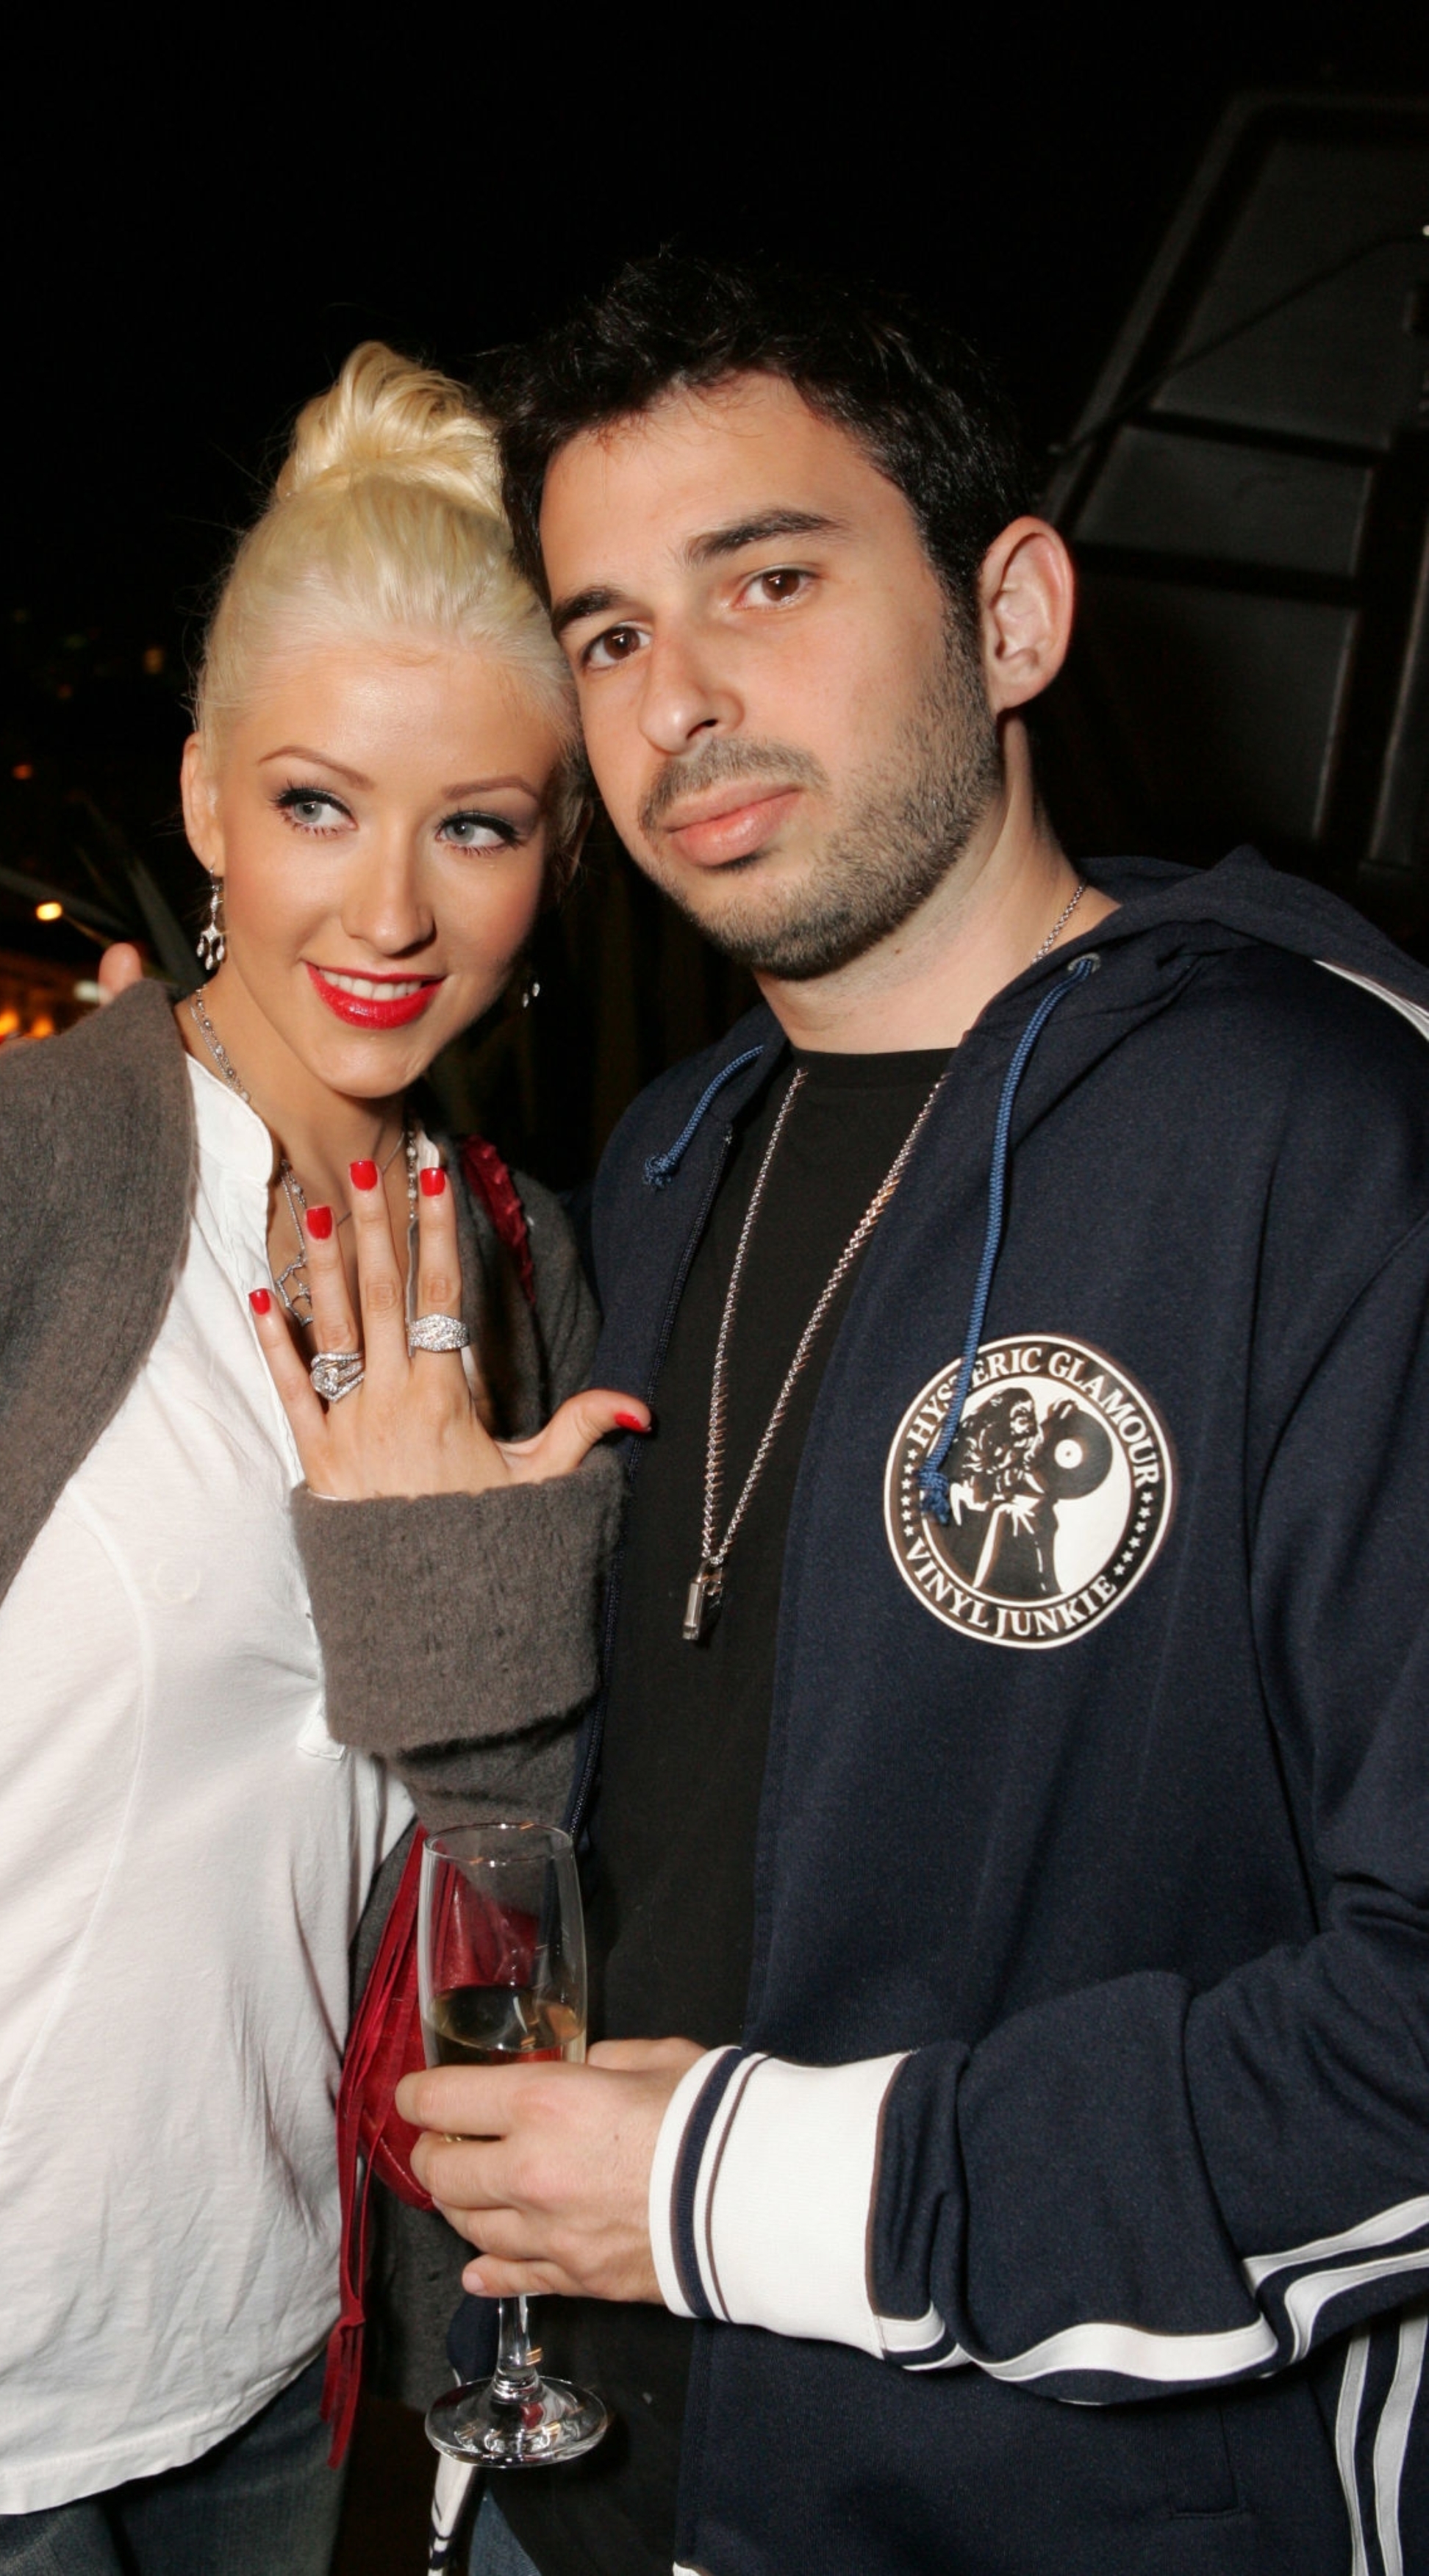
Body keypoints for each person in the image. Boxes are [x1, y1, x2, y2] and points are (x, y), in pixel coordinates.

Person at [292, 256, 1429, 2573]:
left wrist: (749, 2191)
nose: (681, 701)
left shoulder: (1322, 1141)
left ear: (1013, 615)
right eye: (610, 633)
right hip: (567, 2491)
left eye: (772, 581)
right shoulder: (669, 1156)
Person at [0, 343, 634, 2575]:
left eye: (477, 824)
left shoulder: (522, 1265)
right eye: (320, 804)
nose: (390, 913)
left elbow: (513, 1851)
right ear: (210, 799)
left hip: (259, 2345)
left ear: (562, 849)